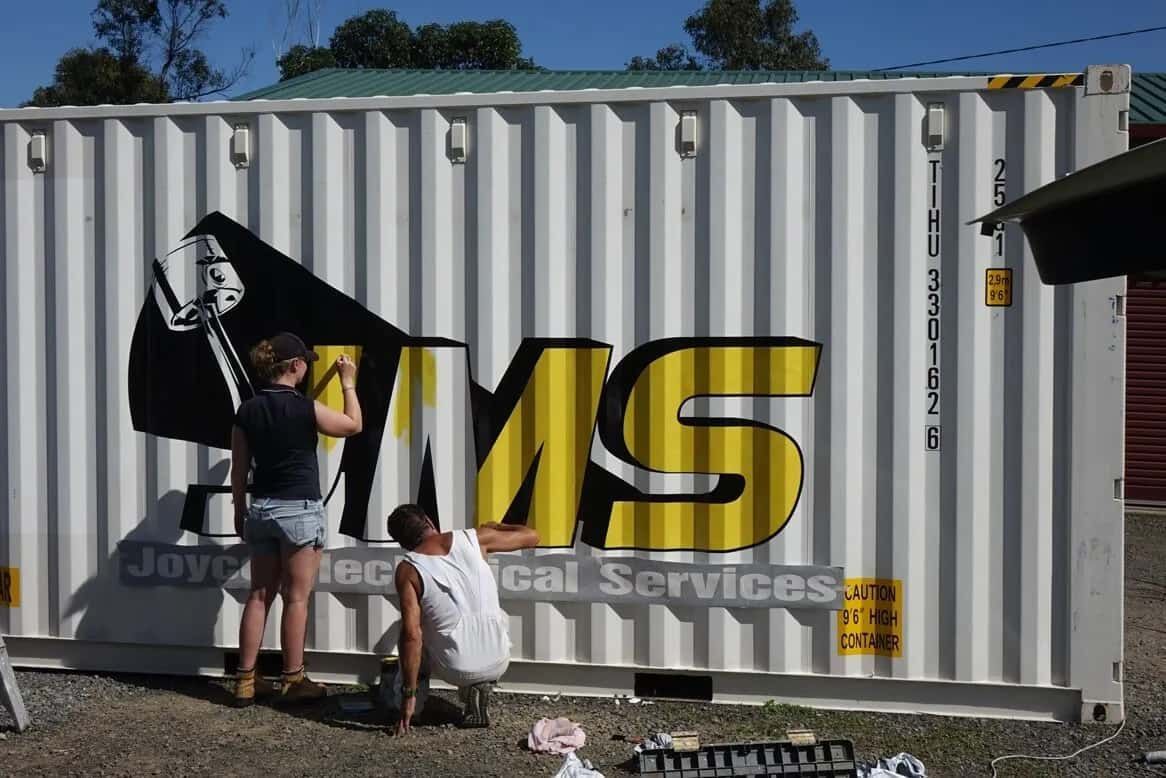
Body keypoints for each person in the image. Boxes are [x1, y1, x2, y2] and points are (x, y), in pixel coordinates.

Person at [230, 332, 363, 706]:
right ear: (295, 367)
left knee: (259, 595)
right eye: (304, 361)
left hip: (262, 508)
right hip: (300, 510)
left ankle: (244, 680)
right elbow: (353, 425)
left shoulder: (248, 410)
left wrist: (240, 510)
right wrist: (347, 383)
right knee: (296, 598)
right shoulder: (306, 408)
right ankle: (292, 678)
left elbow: (238, 469)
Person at [387, 504, 539, 733]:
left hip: (455, 667)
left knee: (412, 633)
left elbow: (411, 636)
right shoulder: (474, 538)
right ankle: (475, 690)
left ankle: (413, 708)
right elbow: (532, 536)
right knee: (487, 615)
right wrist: (497, 526)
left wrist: (408, 694)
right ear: (429, 521)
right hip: (498, 657)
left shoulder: (408, 569)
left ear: (403, 543)